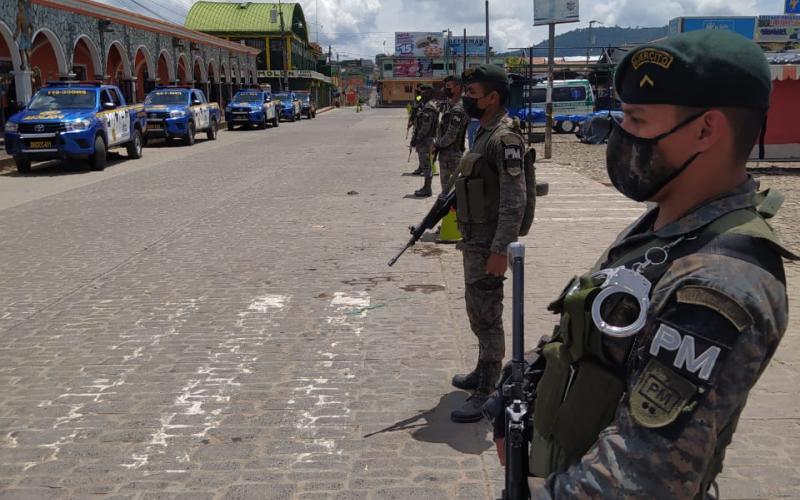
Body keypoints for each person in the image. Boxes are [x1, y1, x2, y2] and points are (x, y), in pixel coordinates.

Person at [493, 30, 797, 498]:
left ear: (704, 131)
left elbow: (642, 478)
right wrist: (529, 375)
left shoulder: (719, 280)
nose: (621, 134)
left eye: (636, 119)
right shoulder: (668, 224)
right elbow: (603, 341)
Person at [450, 65, 527, 423]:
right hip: (475, 241)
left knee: (487, 317)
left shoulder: (504, 138)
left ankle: (488, 390)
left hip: (488, 245)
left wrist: (500, 251)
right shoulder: (483, 132)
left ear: (493, 97)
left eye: (473, 93)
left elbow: (515, 201)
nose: (467, 98)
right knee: (477, 313)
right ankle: (483, 371)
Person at [434, 75, 469, 191]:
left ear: (458, 88)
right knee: (447, 191)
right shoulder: (451, 107)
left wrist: (437, 144)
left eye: (448, 86)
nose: (445, 89)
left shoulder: (458, 109)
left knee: (452, 192)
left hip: (452, 156)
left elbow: (451, 135)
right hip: (447, 155)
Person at [409, 84, 439, 197]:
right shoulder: (424, 103)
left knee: (426, 165)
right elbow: (416, 103)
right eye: (421, 92)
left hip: (426, 140)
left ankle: (427, 189)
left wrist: (417, 138)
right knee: (425, 164)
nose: (421, 94)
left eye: (424, 92)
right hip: (424, 139)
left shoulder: (429, 107)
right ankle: (426, 187)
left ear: (430, 94)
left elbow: (426, 127)